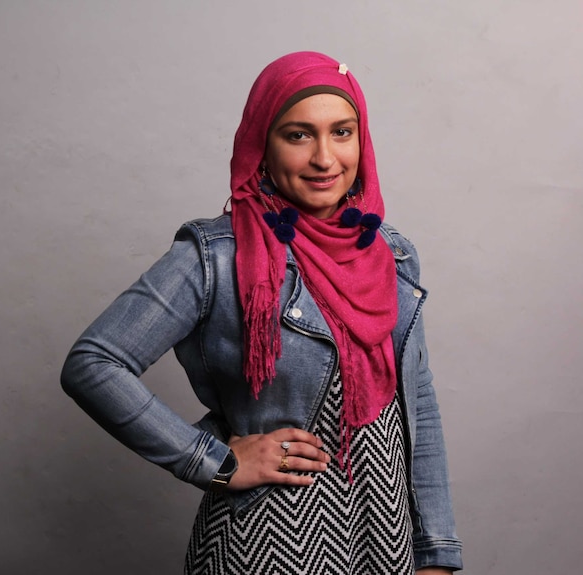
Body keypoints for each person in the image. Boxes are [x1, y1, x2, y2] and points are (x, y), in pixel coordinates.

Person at [61, 51, 462, 574]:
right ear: (261, 146)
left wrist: (435, 551)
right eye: (298, 135)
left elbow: (419, 408)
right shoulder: (217, 257)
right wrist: (216, 462)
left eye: (342, 132)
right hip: (268, 544)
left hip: (384, 542)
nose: (325, 158)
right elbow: (93, 364)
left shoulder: (392, 254)